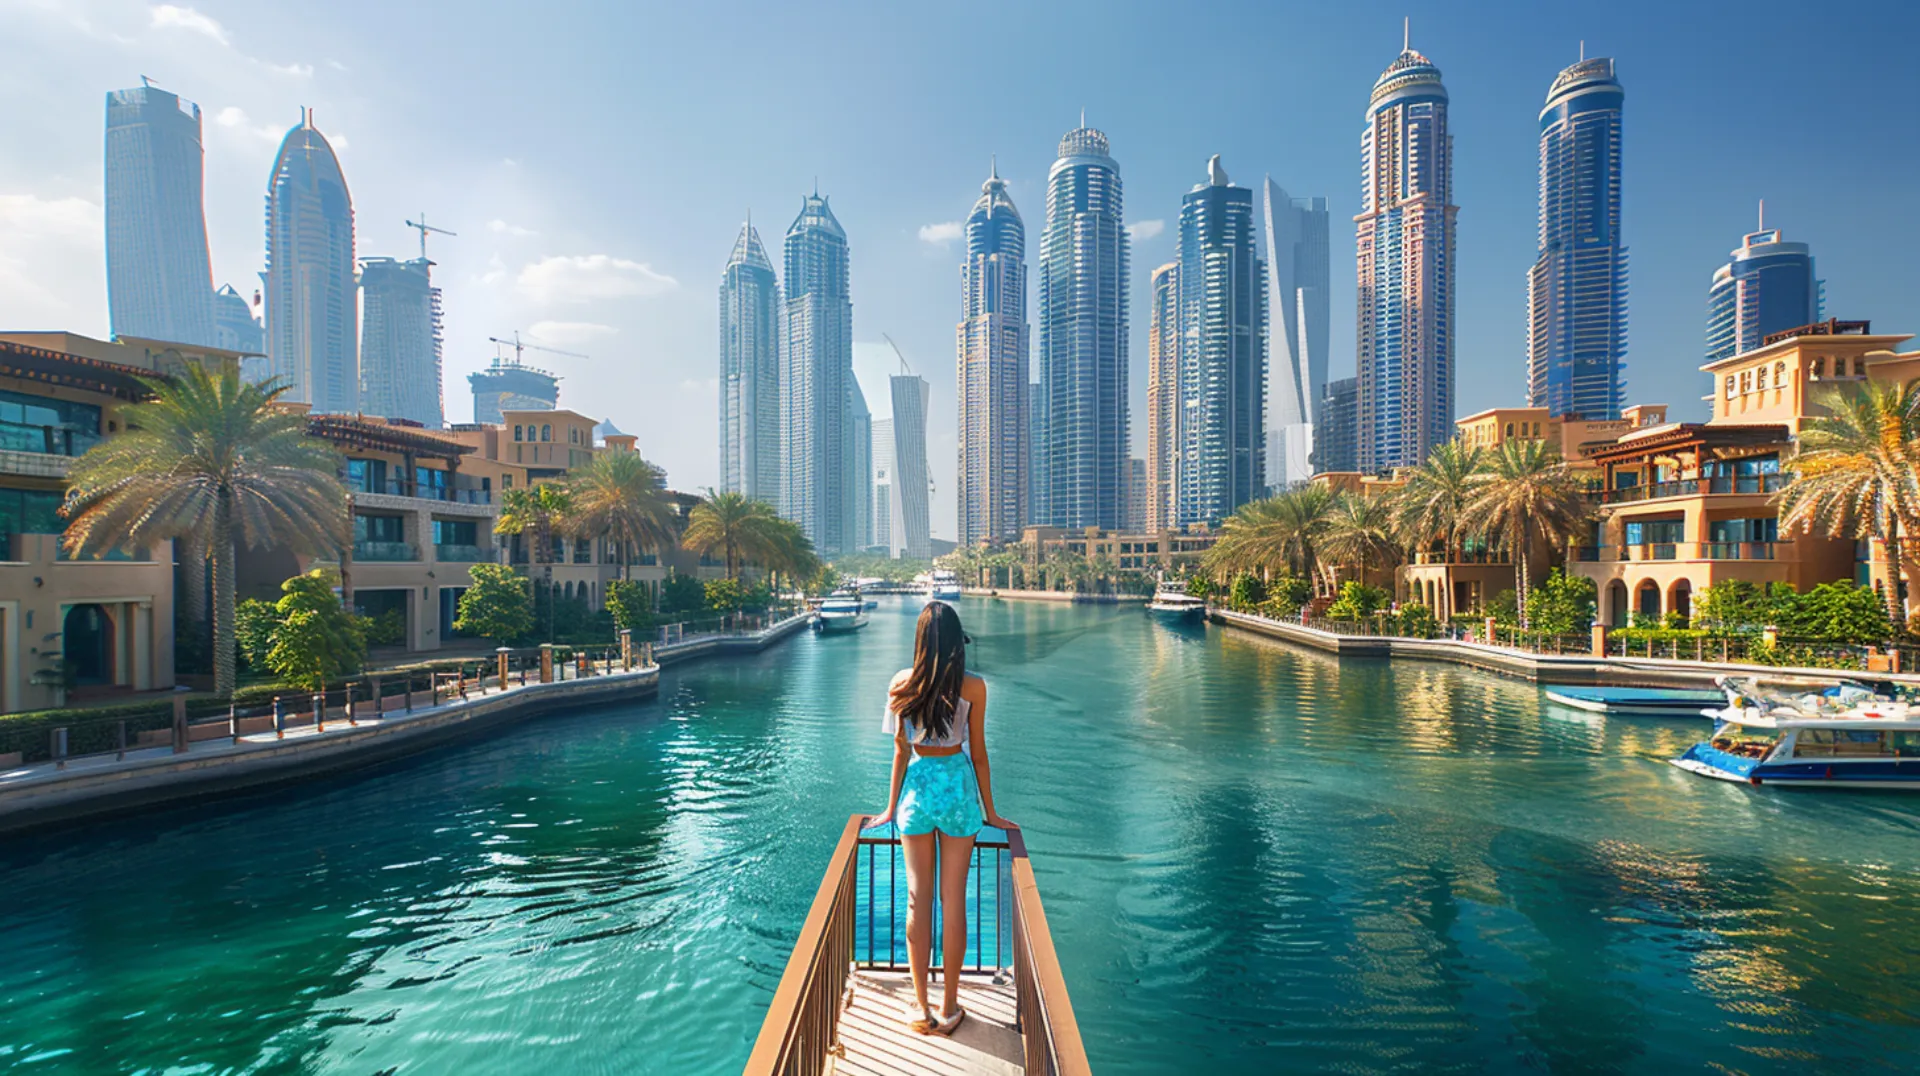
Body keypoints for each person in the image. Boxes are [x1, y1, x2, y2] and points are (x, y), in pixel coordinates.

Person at [867, 600, 1013, 1036]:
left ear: (919, 639)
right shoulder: (974, 687)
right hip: (958, 791)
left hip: (917, 791)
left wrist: (890, 808)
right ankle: (950, 1007)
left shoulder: (900, 684)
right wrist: (992, 812)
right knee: (954, 901)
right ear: (956, 641)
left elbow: (899, 751)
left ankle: (919, 1005)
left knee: (917, 899)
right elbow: (980, 756)